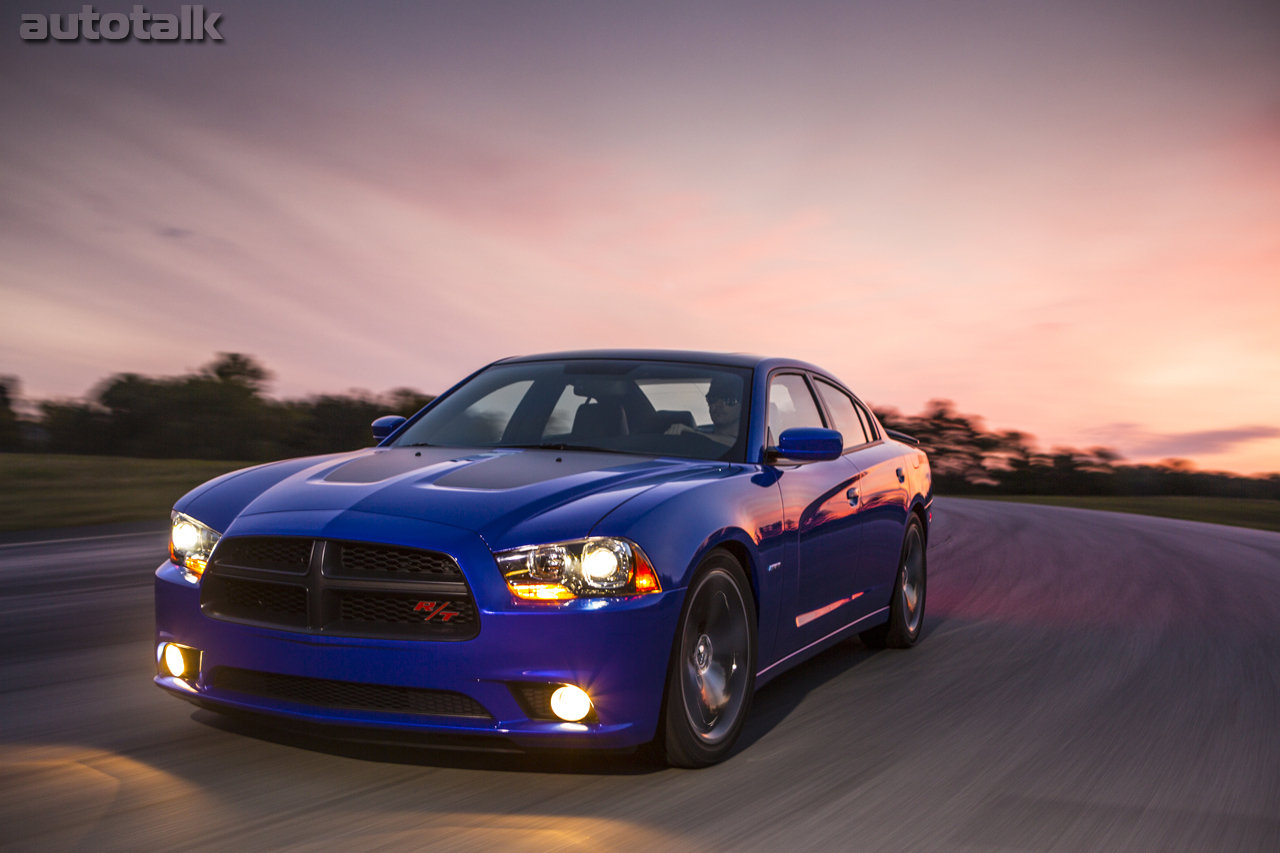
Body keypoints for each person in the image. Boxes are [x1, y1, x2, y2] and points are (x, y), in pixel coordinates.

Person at [666, 375, 742, 447]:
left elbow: (736, 444)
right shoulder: (689, 445)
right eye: (713, 398)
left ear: (743, 404)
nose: (719, 404)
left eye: (729, 400)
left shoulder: (752, 444)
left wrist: (695, 434)